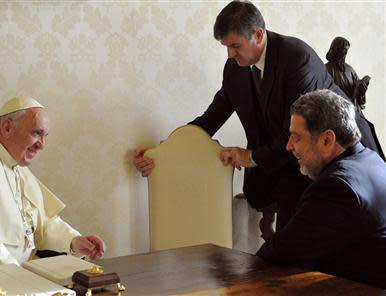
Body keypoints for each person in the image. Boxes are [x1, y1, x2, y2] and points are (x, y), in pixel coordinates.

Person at [134, 0, 384, 231]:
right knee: (287, 247)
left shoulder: (296, 57)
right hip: (293, 160)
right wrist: (163, 152)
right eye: (226, 47)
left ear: (258, 35)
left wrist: (251, 156)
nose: (229, 55)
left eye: (235, 46)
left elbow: (297, 133)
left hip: (340, 155)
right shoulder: (235, 67)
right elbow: (211, 118)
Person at [0, 97, 106, 272]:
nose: (41, 145)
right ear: (7, 127)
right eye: (36, 133)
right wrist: (17, 273)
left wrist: (74, 241)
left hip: (12, 276)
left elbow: (41, 223)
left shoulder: (15, 165)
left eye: (44, 136)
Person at [256, 89, 386, 289]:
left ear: (327, 140)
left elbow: (279, 253)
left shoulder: (336, 187)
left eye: (296, 137)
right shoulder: (373, 161)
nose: (288, 146)